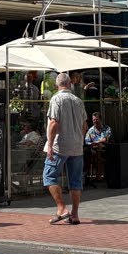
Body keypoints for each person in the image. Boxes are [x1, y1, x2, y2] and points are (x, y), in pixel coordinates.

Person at [44, 72, 87, 225]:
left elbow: (54, 123)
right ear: (69, 84)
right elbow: (84, 126)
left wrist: (49, 145)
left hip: (60, 145)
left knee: (49, 176)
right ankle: (74, 214)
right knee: (75, 181)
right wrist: (79, 140)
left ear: (57, 85)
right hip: (77, 146)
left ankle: (62, 208)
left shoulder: (56, 99)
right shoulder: (78, 101)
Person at [84, 112, 112, 183]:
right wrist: (95, 144)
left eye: (96, 119)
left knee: (101, 150)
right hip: (94, 149)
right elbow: (87, 141)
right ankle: (90, 176)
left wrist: (97, 142)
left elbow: (106, 139)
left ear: (101, 119)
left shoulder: (107, 128)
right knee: (88, 153)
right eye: (93, 120)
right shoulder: (90, 130)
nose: (95, 121)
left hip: (106, 149)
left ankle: (99, 175)